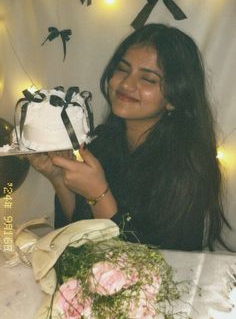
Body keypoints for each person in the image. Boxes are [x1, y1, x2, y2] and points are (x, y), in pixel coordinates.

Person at [28, 24, 230, 251]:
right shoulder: (103, 142)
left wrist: (98, 193)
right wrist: (58, 178)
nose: (126, 84)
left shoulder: (190, 163)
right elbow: (81, 235)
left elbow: (146, 266)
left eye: (148, 79)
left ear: (174, 97)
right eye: (123, 69)